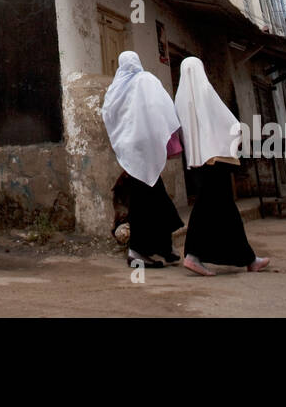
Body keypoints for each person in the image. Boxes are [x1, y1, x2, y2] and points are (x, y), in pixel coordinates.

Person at [174, 57, 269, 277]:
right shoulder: (205, 90)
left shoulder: (179, 97)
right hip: (215, 160)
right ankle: (195, 255)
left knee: (219, 209)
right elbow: (229, 122)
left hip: (197, 162)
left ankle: (246, 258)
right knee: (216, 207)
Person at [102, 51, 183, 268]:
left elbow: (109, 115)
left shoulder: (115, 89)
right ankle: (137, 251)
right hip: (148, 149)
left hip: (131, 152)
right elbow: (163, 108)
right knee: (147, 200)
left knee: (153, 197)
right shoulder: (147, 80)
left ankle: (164, 248)